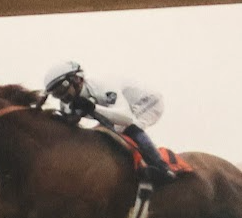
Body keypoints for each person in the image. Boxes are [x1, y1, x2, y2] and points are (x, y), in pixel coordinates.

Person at [41, 60, 175, 185]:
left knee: (128, 128)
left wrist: (93, 108)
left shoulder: (102, 87)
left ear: (77, 80)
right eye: (56, 94)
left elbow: (126, 118)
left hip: (147, 102)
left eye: (62, 88)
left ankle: (162, 168)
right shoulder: (66, 103)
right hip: (118, 111)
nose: (62, 96)